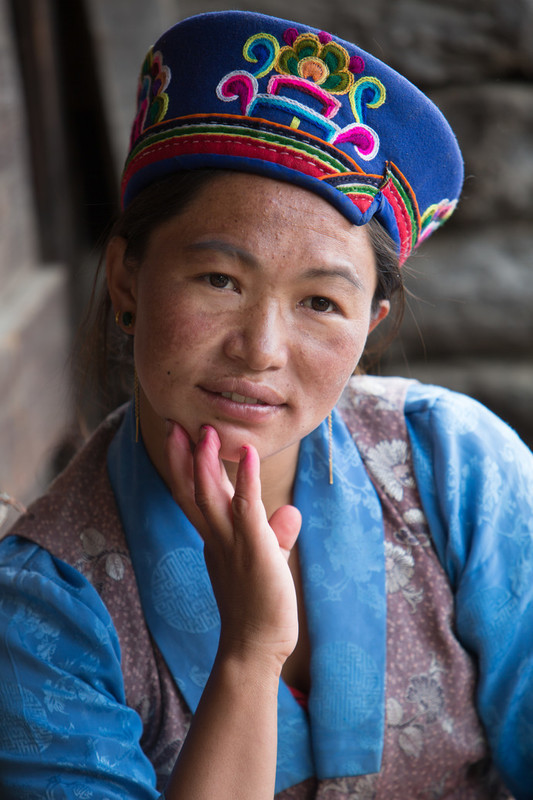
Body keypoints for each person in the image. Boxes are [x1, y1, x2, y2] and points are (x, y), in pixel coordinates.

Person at [0, 10, 531, 800]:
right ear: (125, 282)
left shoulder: (455, 467)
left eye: (320, 302)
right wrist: (251, 650)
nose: (262, 349)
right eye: (220, 280)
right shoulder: (42, 607)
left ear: (369, 329)